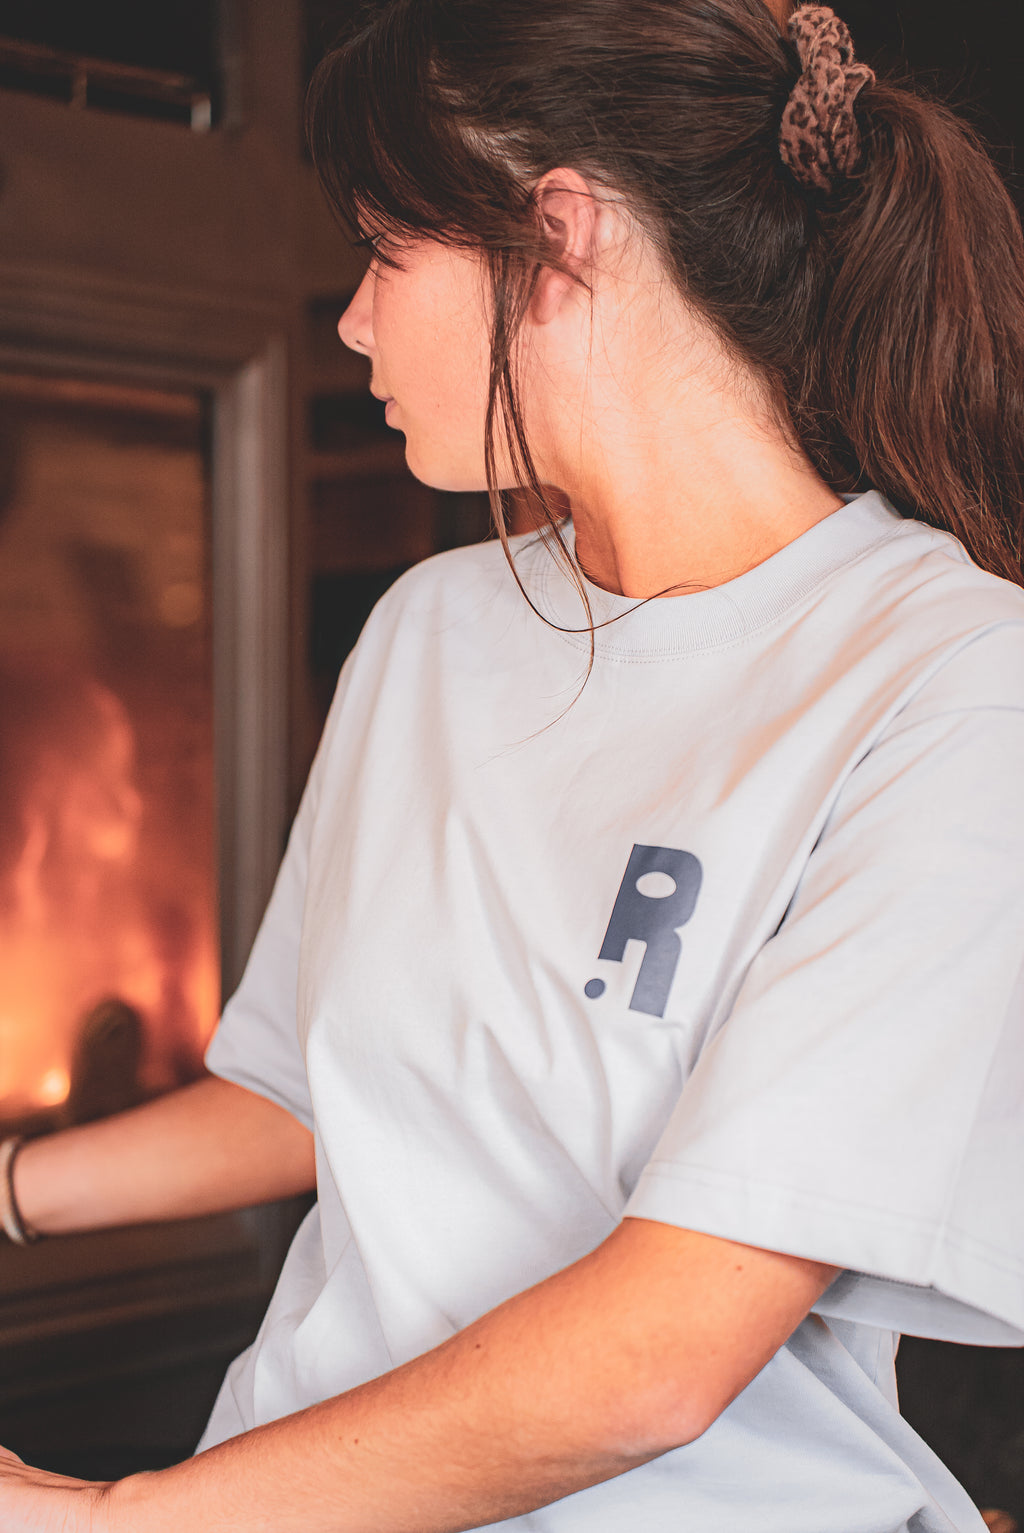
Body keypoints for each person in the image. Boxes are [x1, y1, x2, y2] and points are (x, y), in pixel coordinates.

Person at [2, 0, 1023, 1527]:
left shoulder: (951, 678)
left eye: (383, 251)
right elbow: (313, 1088)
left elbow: (662, 1353)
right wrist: (13, 1191)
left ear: (558, 238)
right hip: (270, 1482)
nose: (347, 319)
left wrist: (101, 1517)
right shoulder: (429, 627)